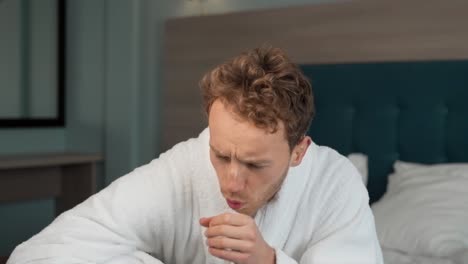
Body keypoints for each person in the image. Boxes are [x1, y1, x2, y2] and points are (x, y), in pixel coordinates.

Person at [8, 47, 383, 264]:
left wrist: (268, 261)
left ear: (299, 152)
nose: (230, 182)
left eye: (254, 164)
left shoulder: (335, 182)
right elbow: (39, 254)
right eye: (221, 155)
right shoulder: (185, 165)